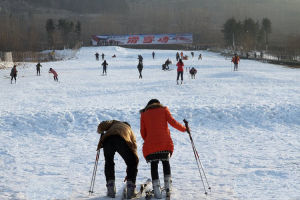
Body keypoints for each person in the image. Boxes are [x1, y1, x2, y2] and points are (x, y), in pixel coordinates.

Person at [140, 99, 188, 199]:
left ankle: (157, 192)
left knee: (154, 164)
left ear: (148, 105)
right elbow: (173, 123)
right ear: (158, 104)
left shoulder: (144, 114)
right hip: (165, 145)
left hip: (150, 146)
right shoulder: (164, 110)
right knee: (165, 162)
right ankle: (168, 189)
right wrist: (185, 129)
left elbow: (142, 132)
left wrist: (149, 140)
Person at [97, 120, 139, 199]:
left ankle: (111, 189)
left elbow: (102, 125)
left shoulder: (114, 123)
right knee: (132, 162)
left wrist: (101, 131)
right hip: (121, 139)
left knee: (109, 162)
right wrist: (132, 167)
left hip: (107, 139)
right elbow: (134, 148)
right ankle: (130, 190)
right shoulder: (129, 130)